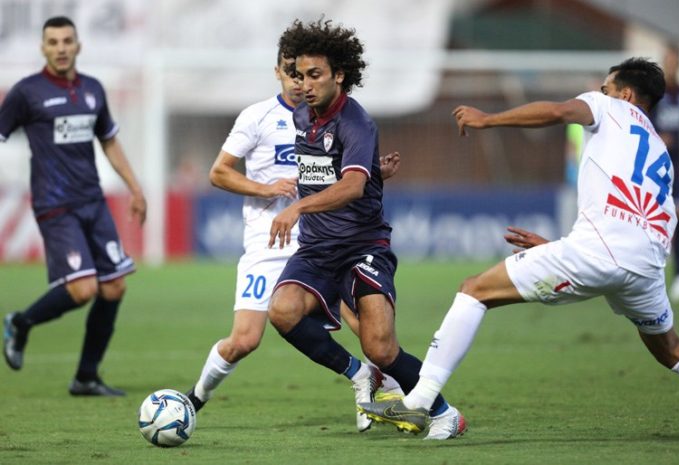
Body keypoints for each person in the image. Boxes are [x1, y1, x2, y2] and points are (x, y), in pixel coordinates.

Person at [359, 57, 679, 434]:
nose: (598, 92)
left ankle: (420, 401)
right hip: (647, 268)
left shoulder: (607, 106)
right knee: (672, 350)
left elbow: (557, 111)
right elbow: (642, 221)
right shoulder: (659, 152)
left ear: (626, 94)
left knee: (474, 290)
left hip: (598, 254)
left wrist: (487, 119)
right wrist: (562, 248)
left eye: (606, 88)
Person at [265, 19, 465, 440]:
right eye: (300, 75)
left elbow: (352, 186)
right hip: (317, 248)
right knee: (282, 311)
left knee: (381, 347)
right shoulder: (302, 114)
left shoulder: (356, 122)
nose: (305, 85)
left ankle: (446, 413)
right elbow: (333, 173)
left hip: (362, 247)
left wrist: (298, 206)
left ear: (339, 74)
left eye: (315, 75)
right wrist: (376, 173)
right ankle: (359, 374)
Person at [185, 46, 403, 416]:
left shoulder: (327, 117)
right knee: (245, 339)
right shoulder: (258, 117)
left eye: (306, 74)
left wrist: (373, 172)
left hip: (321, 238)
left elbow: (340, 176)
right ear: (278, 73)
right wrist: (266, 188)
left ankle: (389, 391)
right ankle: (194, 399)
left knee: (362, 321)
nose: (300, 82)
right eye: (292, 73)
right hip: (267, 241)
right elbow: (218, 173)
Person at [1, 16, 146, 396]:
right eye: (53, 42)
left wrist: (135, 188)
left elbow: (108, 140)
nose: (61, 48)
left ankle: (86, 376)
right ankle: (20, 323)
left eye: (67, 41)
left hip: (93, 202)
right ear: (43, 48)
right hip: (55, 204)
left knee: (114, 287)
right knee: (83, 290)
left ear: (78, 45)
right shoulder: (27, 93)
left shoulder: (93, 89)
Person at [652, 43, 679, 302]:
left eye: (674, 61)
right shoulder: (654, 93)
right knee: (655, 220)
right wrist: (658, 138)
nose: (671, 65)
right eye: (667, 60)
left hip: (678, 167)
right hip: (655, 166)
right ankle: (652, 276)